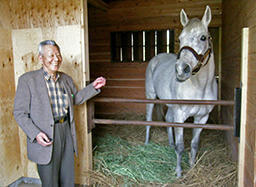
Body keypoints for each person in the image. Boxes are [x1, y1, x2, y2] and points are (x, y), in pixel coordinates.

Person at [13, 40, 106, 187]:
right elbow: (19, 113)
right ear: (40, 58)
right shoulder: (28, 80)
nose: (56, 59)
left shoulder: (65, 79)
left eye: (58, 54)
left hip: (66, 131)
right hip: (45, 135)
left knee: (68, 177)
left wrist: (93, 87)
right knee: (50, 182)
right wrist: (35, 133)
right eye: (51, 55)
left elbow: (76, 98)